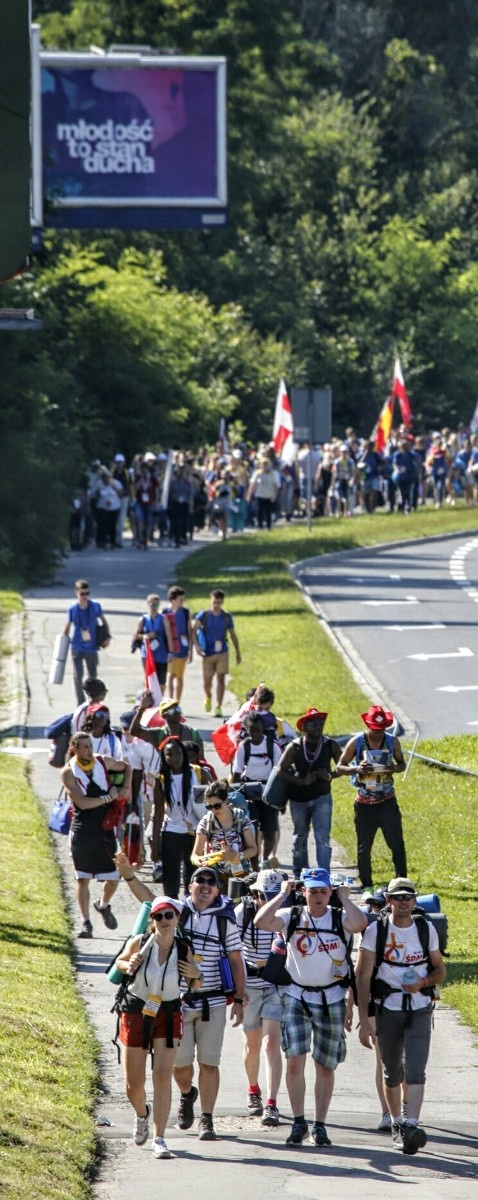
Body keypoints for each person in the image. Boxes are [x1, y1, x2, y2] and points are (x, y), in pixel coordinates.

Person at [114, 859, 245, 1142]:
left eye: (212, 882)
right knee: (180, 1066)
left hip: (212, 1001)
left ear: (218, 890)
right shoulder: (178, 911)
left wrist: (240, 999)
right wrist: (129, 877)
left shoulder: (226, 920)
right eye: (201, 880)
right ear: (191, 886)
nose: (206, 886)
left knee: (209, 1062)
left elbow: (236, 960)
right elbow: (151, 902)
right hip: (178, 1003)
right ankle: (187, 1093)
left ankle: (206, 1119)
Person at [255, 867, 367, 1147]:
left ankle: (320, 1124)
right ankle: (298, 1122)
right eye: (312, 891)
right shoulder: (291, 916)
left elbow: (360, 923)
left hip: (332, 997)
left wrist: (346, 899)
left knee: (325, 1065)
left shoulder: (340, 917)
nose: (317, 897)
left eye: (323, 891)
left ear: (330, 892)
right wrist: (282, 894)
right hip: (297, 996)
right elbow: (261, 921)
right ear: (303, 892)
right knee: (295, 1060)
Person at [355, 876, 446, 1154]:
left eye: (408, 897)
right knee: (391, 1071)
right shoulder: (376, 932)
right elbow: (362, 976)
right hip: (387, 1009)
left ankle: (412, 1125)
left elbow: (440, 969)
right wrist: (364, 1018)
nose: (404, 902)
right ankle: (396, 1122)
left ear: (414, 901)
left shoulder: (425, 929)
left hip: (419, 1007)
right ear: (389, 901)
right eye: (398, 897)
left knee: (417, 1069)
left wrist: (423, 983)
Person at [112, 894, 203, 1160]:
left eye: (169, 915)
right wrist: (128, 964)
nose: (164, 920)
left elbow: (195, 984)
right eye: (158, 916)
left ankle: (159, 1138)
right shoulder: (140, 943)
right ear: (152, 920)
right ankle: (142, 1113)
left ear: (177, 918)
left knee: (162, 1076)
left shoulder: (184, 948)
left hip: (168, 1011)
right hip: (136, 1010)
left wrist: (197, 975)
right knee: (134, 1084)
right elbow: (120, 963)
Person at [61, 731, 131, 937]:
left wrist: (125, 787)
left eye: (90, 746)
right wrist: (110, 797)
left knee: (113, 877)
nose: (89, 750)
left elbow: (127, 766)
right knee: (82, 878)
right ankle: (86, 923)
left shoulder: (102, 761)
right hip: (82, 829)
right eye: (84, 747)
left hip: (105, 829)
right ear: (74, 748)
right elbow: (82, 802)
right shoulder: (69, 772)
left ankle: (103, 904)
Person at [336, 705, 407, 889]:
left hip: (387, 801)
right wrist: (356, 769)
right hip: (364, 803)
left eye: (381, 729)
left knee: (396, 842)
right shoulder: (356, 742)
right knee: (364, 847)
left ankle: (402, 881)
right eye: (374, 730)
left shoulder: (392, 742)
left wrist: (393, 768)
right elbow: (339, 767)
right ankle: (367, 885)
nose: (378, 734)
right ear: (367, 725)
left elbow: (402, 765)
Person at [236, 869, 288, 1125]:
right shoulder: (242, 913)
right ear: (256, 894)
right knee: (252, 1044)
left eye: (276, 896)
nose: (270, 901)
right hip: (250, 986)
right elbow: (231, 951)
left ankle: (271, 1103)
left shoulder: (286, 915)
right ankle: (253, 1089)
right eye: (266, 896)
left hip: (277, 986)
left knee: (271, 1044)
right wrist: (238, 987)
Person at [276, 708, 342, 876]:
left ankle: (323, 874)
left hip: (322, 797)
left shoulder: (329, 745)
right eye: (314, 723)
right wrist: (301, 781)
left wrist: (329, 776)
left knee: (322, 838)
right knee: (300, 837)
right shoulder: (295, 747)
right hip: (299, 800)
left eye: (321, 723)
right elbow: (280, 771)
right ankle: (300, 874)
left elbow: (343, 766)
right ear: (305, 727)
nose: (319, 726)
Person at [232, 712, 282, 868]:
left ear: (263, 729)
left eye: (258, 730)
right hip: (249, 791)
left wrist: (281, 798)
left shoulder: (272, 746)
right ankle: (254, 865)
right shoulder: (243, 747)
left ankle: (265, 859)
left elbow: (280, 772)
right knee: (251, 830)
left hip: (268, 791)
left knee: (270, 829)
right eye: (251, 731)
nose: (255, 734)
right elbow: (236, 774)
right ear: (246, 730)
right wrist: (236, 798)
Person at [151, 737, 199, 899]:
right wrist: (154, 845)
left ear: (184, 755)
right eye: (169, 754)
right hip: (171, 830)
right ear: (164, 757)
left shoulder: (197, 773)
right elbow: (158, 813)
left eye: (178, 753)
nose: (174, 758)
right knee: (170, 876)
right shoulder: (161, 779)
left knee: (192, 873)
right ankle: (172, 908)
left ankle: (190, 908)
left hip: (195, 831)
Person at [191, 779, 257, 893]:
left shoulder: (240, 818)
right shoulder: (207, 822)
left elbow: (253, 850)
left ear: (225, 800)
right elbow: (195, 854)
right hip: (215, 878)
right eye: (209, 807)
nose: (213, 810)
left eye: (217, 806)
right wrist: (199, 860)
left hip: (239, 875)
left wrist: (237, 855)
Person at [193, 588, 241, 718]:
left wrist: (237, 652)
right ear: (211, 600)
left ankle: (219, 706)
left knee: (221, 679)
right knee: (207, 680)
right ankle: (208, 696)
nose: (216, 605)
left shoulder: (226, 617)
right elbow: (193, 631)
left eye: (219, 603)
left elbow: (232, 635)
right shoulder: (204, 615)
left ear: (222, 602)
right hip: (207, 653)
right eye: (214, 602)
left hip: (222, 652)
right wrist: (196, 646)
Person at [63, 579, 110, 705]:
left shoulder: (95, 606)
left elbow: (103, 621)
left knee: (92, 676)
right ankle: (81, 703)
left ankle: (92, 701)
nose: (84, 596)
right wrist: (63, 639)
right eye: (82, 594)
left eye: (86, 593)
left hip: (92, 647)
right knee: (78, 676)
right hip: (77, 646)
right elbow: (67, 626)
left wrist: (107, 637)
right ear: (76, 593)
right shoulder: (73, 609)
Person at [135, 594, 174, 691]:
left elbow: (169, 636)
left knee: (161, 683)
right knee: (150, 680)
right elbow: (136, 636)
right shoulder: (143, 619)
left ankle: (160, 700)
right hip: (147, 654)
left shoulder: (163, 619)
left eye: (156, 605)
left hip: (161, 654)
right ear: (148, 604)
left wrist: (171, 653)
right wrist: (146, 636)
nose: (154, 607)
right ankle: (150, 701)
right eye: (152, 604)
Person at [164, 586, 193, 703]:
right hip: (169, 649)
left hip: (182, 649)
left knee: (179, 676)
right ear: (172, 600)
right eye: (180, 599)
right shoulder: (165, 613)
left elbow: (189, 631)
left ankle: (178, 701)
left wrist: (191, 650)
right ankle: (170, 699)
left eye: (183, 599)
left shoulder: (186, 613)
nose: (182, 602)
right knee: (170, 675)